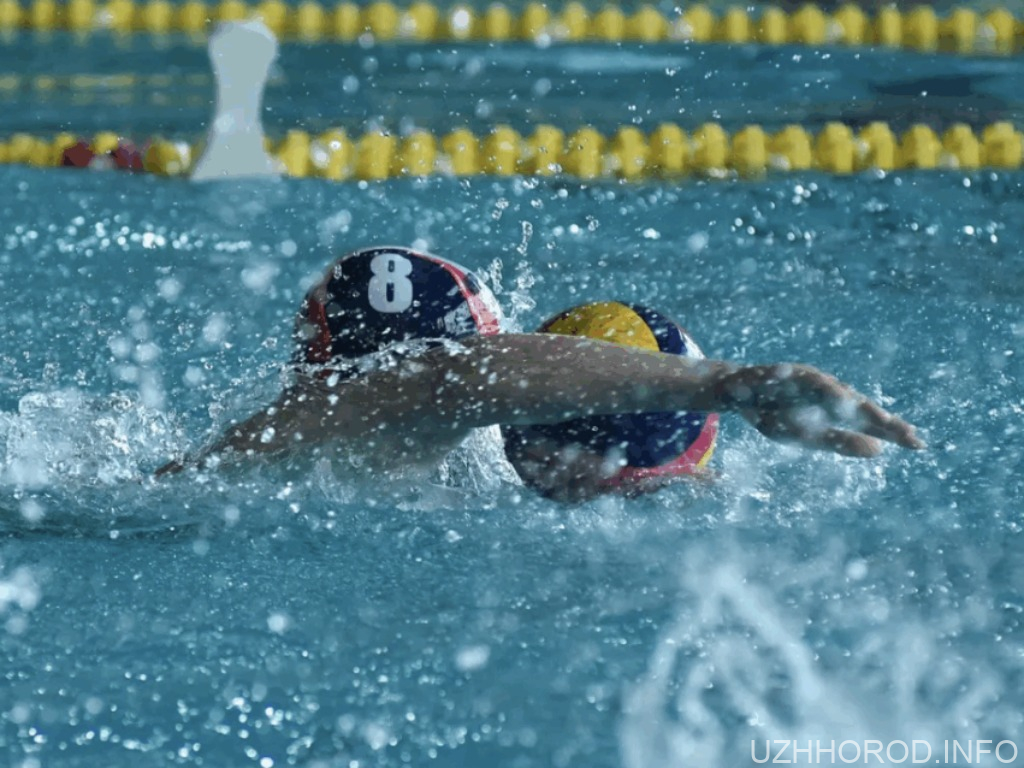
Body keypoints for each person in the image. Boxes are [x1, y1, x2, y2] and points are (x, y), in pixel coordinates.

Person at [155, 246, 924, 489]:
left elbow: (454, 379)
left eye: (308, 340)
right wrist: (716, 390)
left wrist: (718, 389)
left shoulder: (359, 433)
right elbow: (458, 380)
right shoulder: (331, 446)